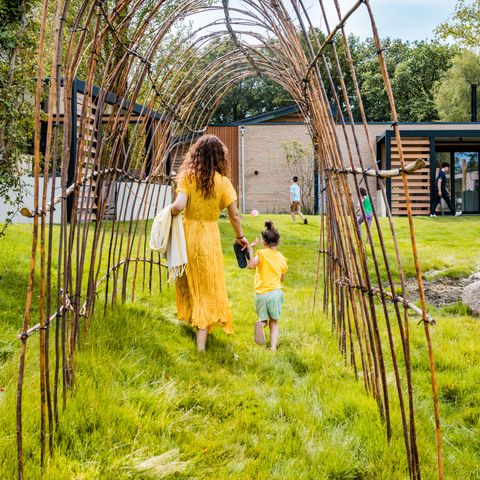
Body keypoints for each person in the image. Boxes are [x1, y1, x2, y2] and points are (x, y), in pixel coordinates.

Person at [170, 135, 249, 351]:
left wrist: (168, 213)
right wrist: (240, 237)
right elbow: (234, 216)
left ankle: (193, 321)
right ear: (219, 157)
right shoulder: (223, 183)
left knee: (189, 280)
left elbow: (178, 206)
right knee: (206, 285)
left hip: (188, 236)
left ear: (196, 154)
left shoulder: (187, 176)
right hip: (209, 237)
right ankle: (201, 344)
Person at [247, 220, 288, 352]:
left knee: (264, 319)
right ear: (278, 241)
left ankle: (261, 324)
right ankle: (273, 348)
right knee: (274, 322)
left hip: (261, 294)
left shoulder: (262, 254)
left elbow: (251, 265)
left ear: (264, 242)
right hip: (275, 293)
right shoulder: (282, 258)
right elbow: (282, 277)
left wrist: (251, 248)